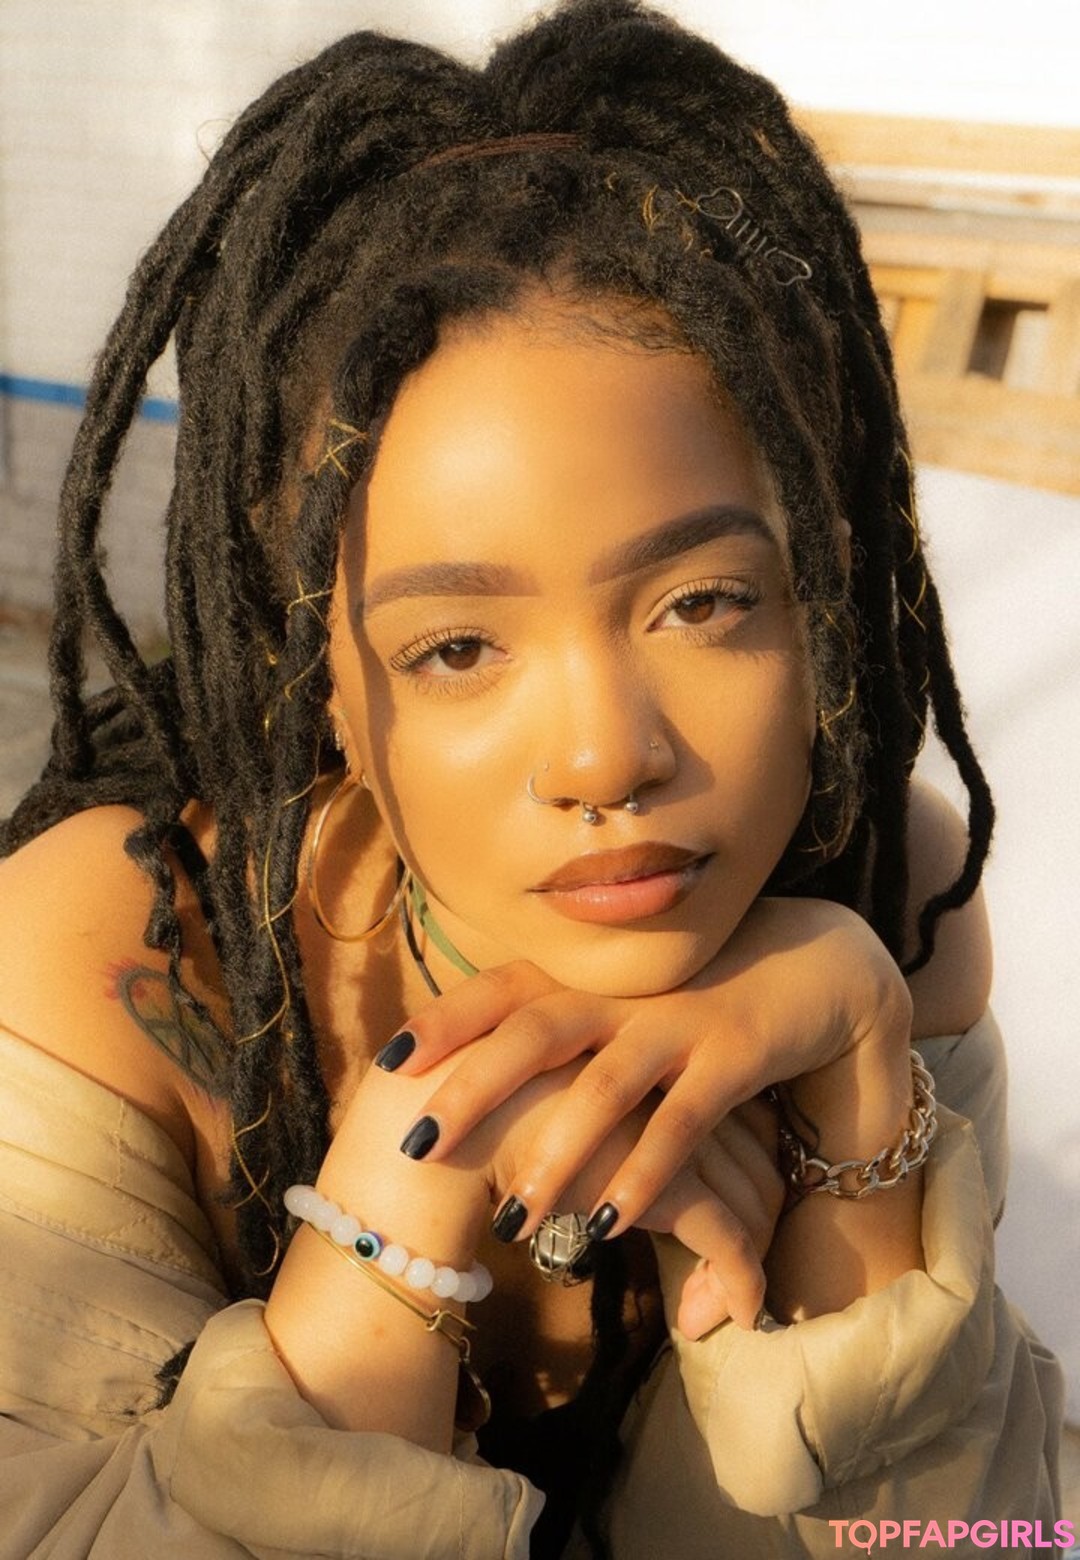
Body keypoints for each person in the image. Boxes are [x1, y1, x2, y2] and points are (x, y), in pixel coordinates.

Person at [0, 1, 1066, 1555]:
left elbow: (972, 1543)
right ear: (322, 685)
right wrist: (400, 1205)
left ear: (822, 592)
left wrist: (854, 1136)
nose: (605, 755)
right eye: (456, 648)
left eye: (703, 603)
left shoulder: (888, 900)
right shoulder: (111, 957)